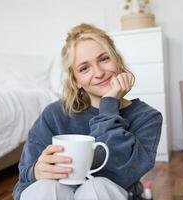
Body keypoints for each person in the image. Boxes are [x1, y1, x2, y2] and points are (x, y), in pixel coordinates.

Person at [13, 23, 163, 200]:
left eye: (104, 59)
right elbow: (23, 183)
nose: (99, 73)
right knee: (45, 187)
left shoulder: (147, 117)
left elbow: (117, 173)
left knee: (96, 187)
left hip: (110, 193)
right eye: (84, 68)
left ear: (118, 61)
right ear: (76, 80)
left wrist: (109, 103)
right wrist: (35, 172)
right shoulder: (54, 115)